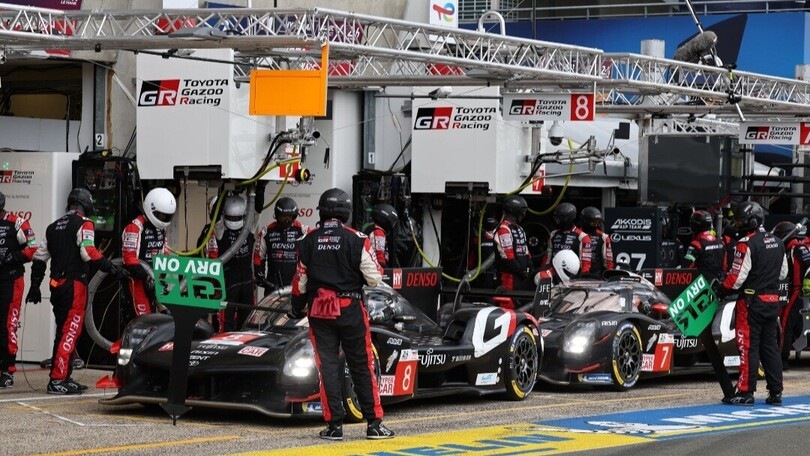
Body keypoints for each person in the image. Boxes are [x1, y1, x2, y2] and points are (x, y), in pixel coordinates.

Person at [288, 188, 394, 441]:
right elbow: (375, 277)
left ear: (322, 211)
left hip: (319, 312)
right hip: (349, 310)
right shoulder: (356, 238)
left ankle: (334, 426)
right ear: (345, 212)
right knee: (362, 366)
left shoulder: (307, 241)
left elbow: (299, 284)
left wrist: (295, 307)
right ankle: (374, 424)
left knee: (328, 368)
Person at [25, 188, 127, 395]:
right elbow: (88, 252)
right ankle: (57, 380)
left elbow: (39, 258)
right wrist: (112, 268)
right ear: (85, 204)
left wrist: (35, 286)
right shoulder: (85, 223)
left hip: (56, 286)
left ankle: (64, 375)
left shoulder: (53, 227)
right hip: (74, 286)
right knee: (70, 331)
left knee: (63, 331)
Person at [716, 201, 787, 406]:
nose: (738, 224)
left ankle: (746, 392)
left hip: (750, 303)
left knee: (747, 347)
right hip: (772, 302)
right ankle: (776, 392)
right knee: (770, 347)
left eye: (740, 221)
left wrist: (721, 289)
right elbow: (783, 274)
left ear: (751, 221)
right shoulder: (778, 241)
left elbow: (735, 279)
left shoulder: (745, 244)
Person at [0, 191, 38, 388]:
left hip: (12, 279)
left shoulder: (17, 223)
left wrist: (12, 257)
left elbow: (33, 249)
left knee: (8, 323)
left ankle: (8, 370)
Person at [122, 187, 176, 317]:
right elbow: (129, 259)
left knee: (166, 315)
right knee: (145, 319)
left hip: (155, 280)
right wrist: (147, 277)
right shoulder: (135, 227)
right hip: (136, 281)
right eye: (161, 215)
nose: (164, 219)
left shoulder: (161, 229)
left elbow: (165, 254)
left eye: (167, 216)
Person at [205, 194, 255, 332]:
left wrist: (259, 189)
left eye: (237, 218)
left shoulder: (249, 226)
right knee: (226, 321)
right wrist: (223, 192)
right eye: (230, 217)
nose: (234, 221)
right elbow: (215, 218)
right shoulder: (220, 230)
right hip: (227, 281)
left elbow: (256, 209)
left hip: (246, 281)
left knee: (248, 319)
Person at [771, 221, 810, 369]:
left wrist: (806, 285)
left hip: (797, 290)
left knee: (786, 321)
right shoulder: (786, 248)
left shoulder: (798, 247)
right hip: (788, 289)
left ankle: (783, 358)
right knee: (796, 325)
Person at [254, 197, 308, 296]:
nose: (287, 220)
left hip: (297, 284)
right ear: (277, 216)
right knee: (270, 311)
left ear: (294, 216)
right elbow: (258, 256)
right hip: (273, 285)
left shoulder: (303, 231)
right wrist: (260, 275)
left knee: (295, 311)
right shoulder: (267, 232)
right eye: (283, 217)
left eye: (290, 217)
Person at [494, 195, 533, 308]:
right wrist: (521, 271)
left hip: (521, 277)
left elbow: (525, 250)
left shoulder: (520, 229)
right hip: (508, 278)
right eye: (522, 211)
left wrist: (530, 266)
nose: (524, 214)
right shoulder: (503, 229)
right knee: (508, 307)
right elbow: (507, 256)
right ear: (514, 211)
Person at [546, 202, 592, 275]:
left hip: (572, 276)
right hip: (554, 274)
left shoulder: (583, 237)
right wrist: (544, 272)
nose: (556, 221)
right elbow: (547, 257)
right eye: (555, 218)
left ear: (568, 218)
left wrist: (582, 278)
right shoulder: (553, 234)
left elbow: (585, 263)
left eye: (559, 218)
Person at [683, 210, 726, 283]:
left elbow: (686, 268)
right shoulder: (721, 242)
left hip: (701, 285)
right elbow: (725, 266)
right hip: (718, 284)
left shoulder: (696, 245)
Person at [580, 206, 613, 278]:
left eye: (598, 222)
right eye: (593, 222)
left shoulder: (604, 237)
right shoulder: (577, 234)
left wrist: (609, 275)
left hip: (596, 275)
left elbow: (608, 261)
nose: (596, 225)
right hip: (575, 273)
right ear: (585, 221)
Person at [470, 216, 500, 289]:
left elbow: (471, 259)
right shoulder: (499, 239)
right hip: (486, 276)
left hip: (484, 275)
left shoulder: (477, 240)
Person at [367, 203, 398, 268]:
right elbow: (379, 256)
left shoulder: (371, 228)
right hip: (374, 269)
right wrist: (384, 270)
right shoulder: (378, 232)